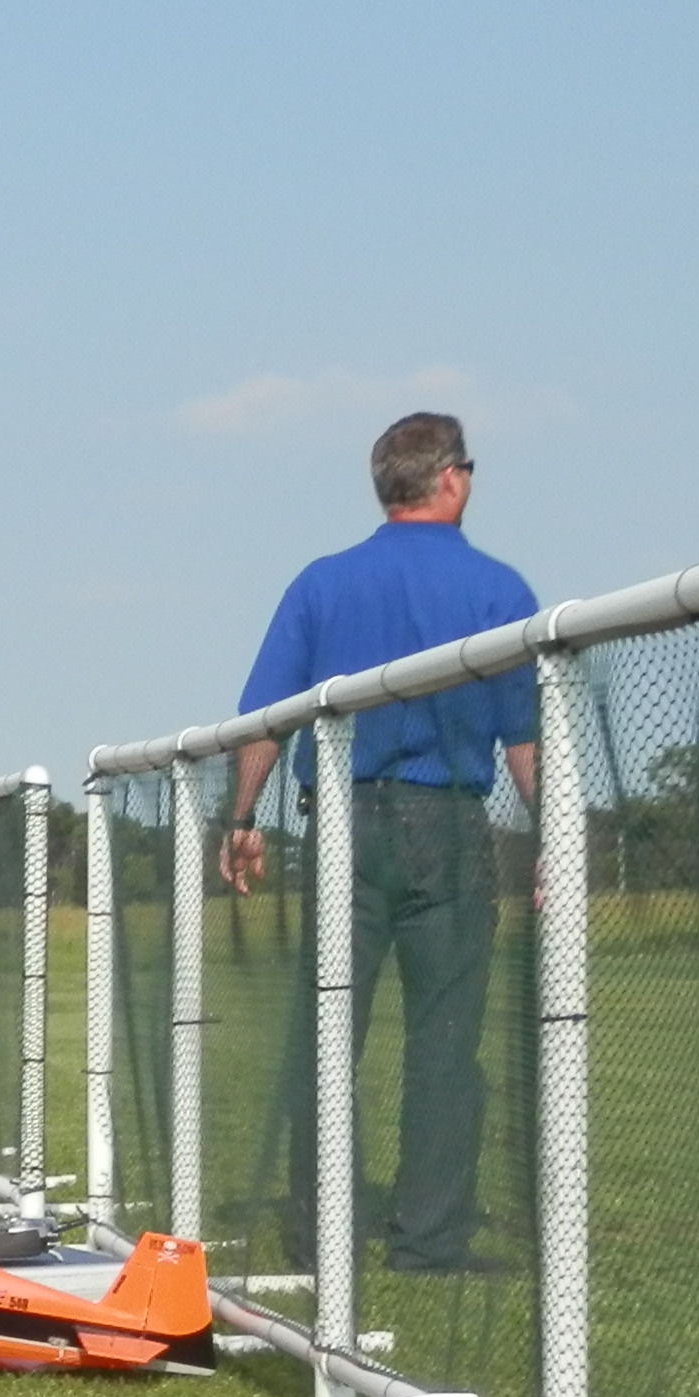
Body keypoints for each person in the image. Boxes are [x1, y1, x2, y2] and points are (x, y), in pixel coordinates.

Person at [219, 412, 538, 1274]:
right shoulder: (498, 589)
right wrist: (554, 841)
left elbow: (263, 721)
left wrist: (242, 819)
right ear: (453, 479)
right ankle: (427, 1241)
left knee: (325, 1036)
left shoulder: (321, 585)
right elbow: (525, 742)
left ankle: (319, 1237)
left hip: (342, 826)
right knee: (444, 1041)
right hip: (448, 825)